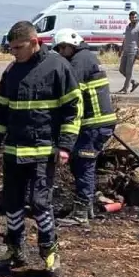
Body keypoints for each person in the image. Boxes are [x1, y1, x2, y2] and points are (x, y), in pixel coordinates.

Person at [0, 20, 81, 277]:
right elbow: (1, 110)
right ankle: (14, 249)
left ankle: (49, 252)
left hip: (43, 150)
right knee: (13, 203)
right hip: (14, 151)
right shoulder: (11, 72)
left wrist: (65, 146)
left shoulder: (57, 67)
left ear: (34, 42)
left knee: (41, 203)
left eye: (18, 47)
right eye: (11, 49)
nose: (14, 53)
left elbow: (72, 110)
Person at [53, 28, 116, 226]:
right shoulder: (87, 57)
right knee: (81, 165)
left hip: (93, 125)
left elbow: (71, 95)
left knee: (83, 165)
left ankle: (81, 214)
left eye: (62, 48)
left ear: (70, 45)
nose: (61, 53)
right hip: (97, 124)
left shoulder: (80, 61)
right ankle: (85, 208)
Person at [118, 11, 139, 93]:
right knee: (121, 69)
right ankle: (134, 82)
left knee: (129, 70)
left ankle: (125, 89)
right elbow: (125, 39)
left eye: (135, 17)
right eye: (132, 17)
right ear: (130, 18)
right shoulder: (128, 27)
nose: (134, 19)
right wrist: (121, 49)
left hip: (133, 51)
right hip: (125, 50)